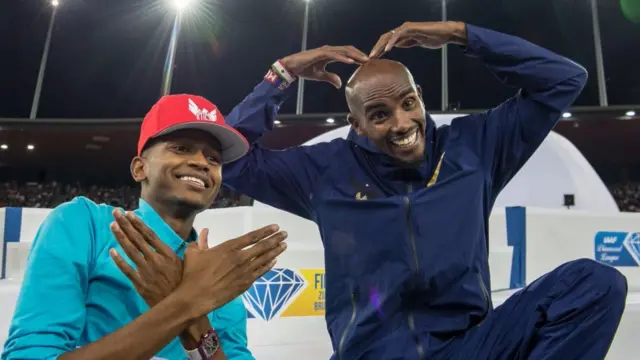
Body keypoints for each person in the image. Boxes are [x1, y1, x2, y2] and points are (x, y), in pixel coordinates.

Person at [220, 21, 627, 359]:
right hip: (370, 354)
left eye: (408, 103)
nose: (401, 124)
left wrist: (461, 35)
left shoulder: (475, 148)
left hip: (468, 347)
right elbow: (230, 158)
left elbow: (565, 79)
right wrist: (283, 73)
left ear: (420, 98)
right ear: (355, 123)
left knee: (595, 284)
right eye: (379, 115)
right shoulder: (324, 170)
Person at [2, 95, 288, 360]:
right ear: (140, 168)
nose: (202, 163)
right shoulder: (83, 225)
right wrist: (188, 302)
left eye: (214, 158)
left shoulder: (217, 275)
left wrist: (197, 320)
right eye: (181, 148)